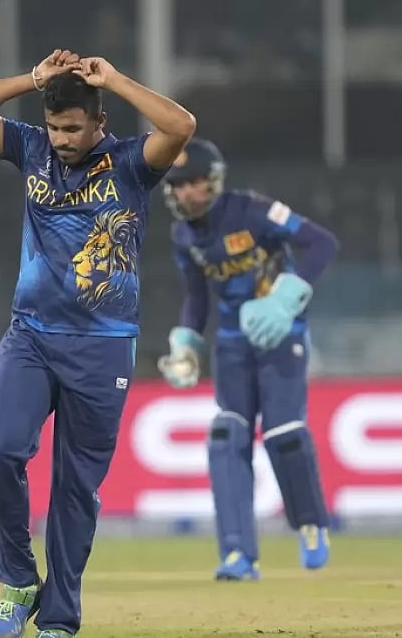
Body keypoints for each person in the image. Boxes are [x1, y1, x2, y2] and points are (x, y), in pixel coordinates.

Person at [0, 50, 196, 637]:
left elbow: (181, 126)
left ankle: (58, 620)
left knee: (74, 491)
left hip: (103, 346)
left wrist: (114, 81)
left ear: (98, 122)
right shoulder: (30, 147)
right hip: (30, 335)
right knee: (2, 452)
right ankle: (17, 579)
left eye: (73, 128)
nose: (61, 139)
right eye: (55, 127)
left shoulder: (133, 163)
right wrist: (31, 80)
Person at [156, 138, 339, 580]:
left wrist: (286, 296)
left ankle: (311, 524)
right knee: (225, 436)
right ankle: (238, 554)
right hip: (232, 342)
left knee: (283, 433)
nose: (186, 194)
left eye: (194, 183)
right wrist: (185, 343)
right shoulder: (183, 235)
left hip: (281, 332)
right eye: (178, 185)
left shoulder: (253, 211)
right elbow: (197, 297)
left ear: (214, 181)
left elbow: (322, 244)